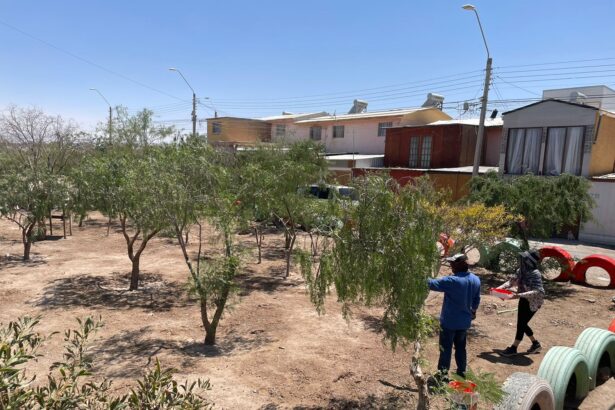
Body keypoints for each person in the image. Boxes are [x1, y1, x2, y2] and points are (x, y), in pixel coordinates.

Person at [428, 253, 481, 379]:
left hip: (449, 323)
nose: (451, 265)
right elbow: (476, 300)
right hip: (464, 322)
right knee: (461, 348)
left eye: (453, 263)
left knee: (445, 349)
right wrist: (473, 312)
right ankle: (462, 372)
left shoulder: (452, 281)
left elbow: (431, 283)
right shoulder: (475, 279)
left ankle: (442, 375)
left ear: (461, 264)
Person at [498, 249, 545, 356]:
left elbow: (538, 291)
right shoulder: (521, 271)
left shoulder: (535, 273)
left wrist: (518, 295)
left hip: (533, 302)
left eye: (524, 258)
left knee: (521, 324)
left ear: (528, 261)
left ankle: (514, 348)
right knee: (523, 324)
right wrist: (498, 289)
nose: (522, 260)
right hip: (524, 299)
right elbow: (511, 281)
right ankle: (535, 344)